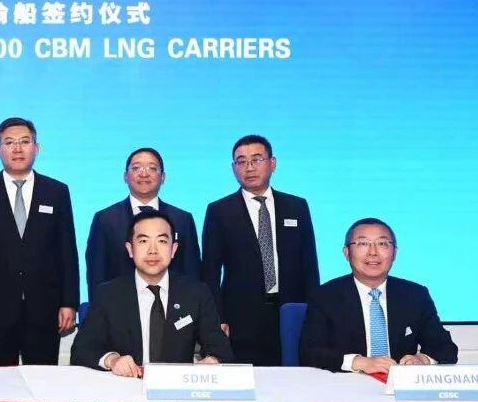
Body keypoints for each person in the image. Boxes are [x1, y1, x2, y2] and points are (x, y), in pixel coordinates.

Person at [0, 117, 79, 365]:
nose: (17, 149)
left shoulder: (56, 191)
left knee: (43, 381)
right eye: (9, 142)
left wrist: (69, 302)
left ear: (36, 147)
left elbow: (67, 251)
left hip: (45, 308)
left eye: (24, 142)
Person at [201, 134, 318, 366]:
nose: (249, 167)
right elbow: (211, 272)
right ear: (233, 168)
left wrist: (314, 311)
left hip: (290, 313)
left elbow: (309, 265)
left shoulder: (297, 206)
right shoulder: (219, 211)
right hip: (240, 317)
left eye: (257, 159)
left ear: (272, 163)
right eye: (241, 161)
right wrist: (216, 319)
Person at [72, 210, 232, 376]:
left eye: (162, 241)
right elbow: (81, 349)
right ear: (130, 249)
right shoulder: (108, 293)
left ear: (173, 249)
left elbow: (220, 348)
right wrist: (112, 360)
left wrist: (213, 360)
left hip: (175, 386)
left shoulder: (195, 293)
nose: (153, 250)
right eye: (143, 241)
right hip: (124, 385)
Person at [300, 217, 458, 372]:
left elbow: (445, 348)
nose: (373, 252)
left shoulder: (415, 295)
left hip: (399, 385)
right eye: (363, 243)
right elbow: (310, 353)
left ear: (394, 253)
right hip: (346, 384)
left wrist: (422, 359)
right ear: (346, 253)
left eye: (382, 243)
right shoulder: (325, 296)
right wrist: (359, 362)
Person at [85, 146, 201, 303]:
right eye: (136, 168)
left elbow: (192, 271)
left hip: (172, 307)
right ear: (125, 176)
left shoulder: (182, 219)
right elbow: (96, 273)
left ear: (163, 177)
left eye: (152, 168)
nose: (144, 173)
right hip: (119, 307)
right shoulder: (105, 219)